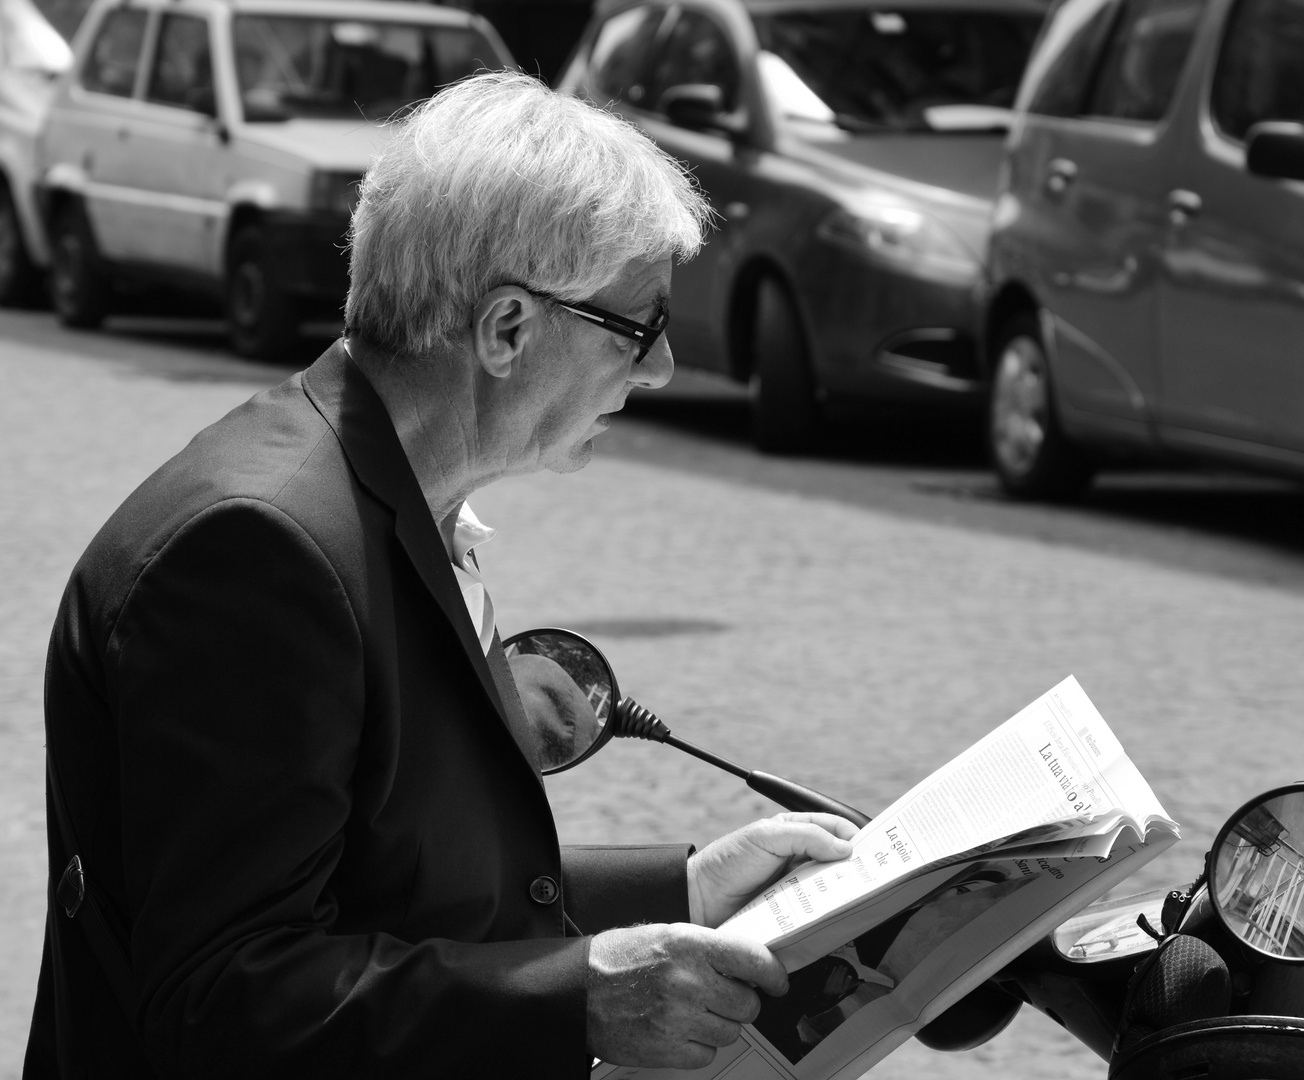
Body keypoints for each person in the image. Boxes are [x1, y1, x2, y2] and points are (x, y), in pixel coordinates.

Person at [24, 71, 856, 1079]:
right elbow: (219, 997)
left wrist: (681, 891)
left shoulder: (369, 493)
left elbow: (396, 888)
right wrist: (578, 1000)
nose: (660, 368)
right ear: (506, 328)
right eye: (639, 326)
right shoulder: (257, 548)